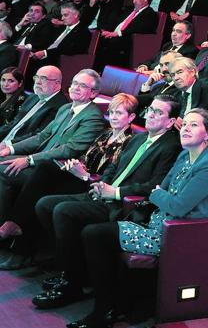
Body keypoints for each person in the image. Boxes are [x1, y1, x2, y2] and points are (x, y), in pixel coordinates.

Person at [68, 108, 208, 328]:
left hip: (177, 234)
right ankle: (113, 304)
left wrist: (158, 193)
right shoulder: (184, 155)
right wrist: (162, 194)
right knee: (95, 232)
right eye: (185, 124)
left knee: (95, 234)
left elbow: (177, 206)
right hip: (157, 221)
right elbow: (166, 192)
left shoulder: (207, 167)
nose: (186, 129)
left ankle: (103, 310)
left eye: (194, 125)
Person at [31, 95, 182, 309]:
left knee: (64, 211)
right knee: (45, 205)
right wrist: (101, 184)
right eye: (150, 109)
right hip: (104, 193)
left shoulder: (171, 147)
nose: (150, 114)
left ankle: (71, 284)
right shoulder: (139, 138)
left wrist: (116, 192)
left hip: (124, 205)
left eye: (159, 112)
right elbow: (114, 165)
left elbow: (155, 185)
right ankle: (77, 271)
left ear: (170, 122)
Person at [0, 93, 137, 269]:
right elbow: (85, 157)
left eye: (119, 113)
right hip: (80, 174)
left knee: (44, 176)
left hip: (92, 185)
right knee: (45, 173)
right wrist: (76, 164)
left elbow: (110, 175)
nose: (113, 117)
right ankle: (19, 238)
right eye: (111, 113)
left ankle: (19, 239)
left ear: (131, 117)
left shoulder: (129, 141)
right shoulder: (106, 134)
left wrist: (84, 174)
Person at [0, 70, 106, 222]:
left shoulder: (93, 117)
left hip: (53, 170)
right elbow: (41, 136)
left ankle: (10, 225)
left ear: (93, 93)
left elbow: (69, 149)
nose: (75, 87)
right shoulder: (65, 108)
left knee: (2, 171)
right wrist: (10, 149)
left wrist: (29, 159)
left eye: (82, 86)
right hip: (38, 161)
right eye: (74, 83)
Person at [0, 66, 67, 145]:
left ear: (57, 83)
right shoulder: (33, 97)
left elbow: (38, 137)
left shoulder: (60, 106)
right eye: (36, 77)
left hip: (18, 147)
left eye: (43, 78)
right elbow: (14, 123)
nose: (38, 82)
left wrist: (8, 145)